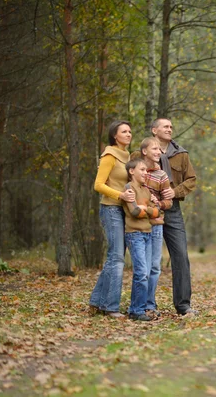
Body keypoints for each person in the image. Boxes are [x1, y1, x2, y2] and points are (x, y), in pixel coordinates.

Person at [151, 118, 197, 316]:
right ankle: (146, 304)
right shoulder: (143, 151)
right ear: (155, 130)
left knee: (181, 256)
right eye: (165, 127)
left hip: (173, 209)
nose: (170, 129)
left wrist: (175, 191)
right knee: (149, 259)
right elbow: (132, 175)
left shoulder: (181, 154)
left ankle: (183, 305)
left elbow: (192, 179)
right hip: (148, 209)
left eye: (171, 127)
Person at [89, 120, 135, 318]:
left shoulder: (129, 157)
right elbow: (98, 185)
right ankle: (111, 307)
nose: (128, 134)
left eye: (130, 131)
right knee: (117, 258)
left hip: (125, 211)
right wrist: (120, 195)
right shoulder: (109, 155)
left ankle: (97, 301)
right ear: (115, 135)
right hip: (110, 209)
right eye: (124, 131)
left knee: (114, 257)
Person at [138, 137, 173, 318]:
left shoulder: (162, 175)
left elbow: (168, 202)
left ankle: (149, 304)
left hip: (156, 225)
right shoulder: (137, 171)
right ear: (144, 151)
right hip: (138, 225)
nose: (158, 152)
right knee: (141, 269)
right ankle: (138, 305)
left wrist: (159, 203)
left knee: (154, 267)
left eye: (160, 149)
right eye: (154, 149)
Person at [123, 158, 161, 322]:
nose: (146, 173)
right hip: (135, 234)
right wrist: (148, 209)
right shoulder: (128, 188)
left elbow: (157, 211)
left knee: (145, 273)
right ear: (132, 171)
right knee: (141, 273)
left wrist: (148, 208)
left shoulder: (146, 190)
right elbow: (135, 212)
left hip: (148, 233)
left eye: (146, 170)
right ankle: (136, 310)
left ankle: (140, 307)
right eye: (142, 170)